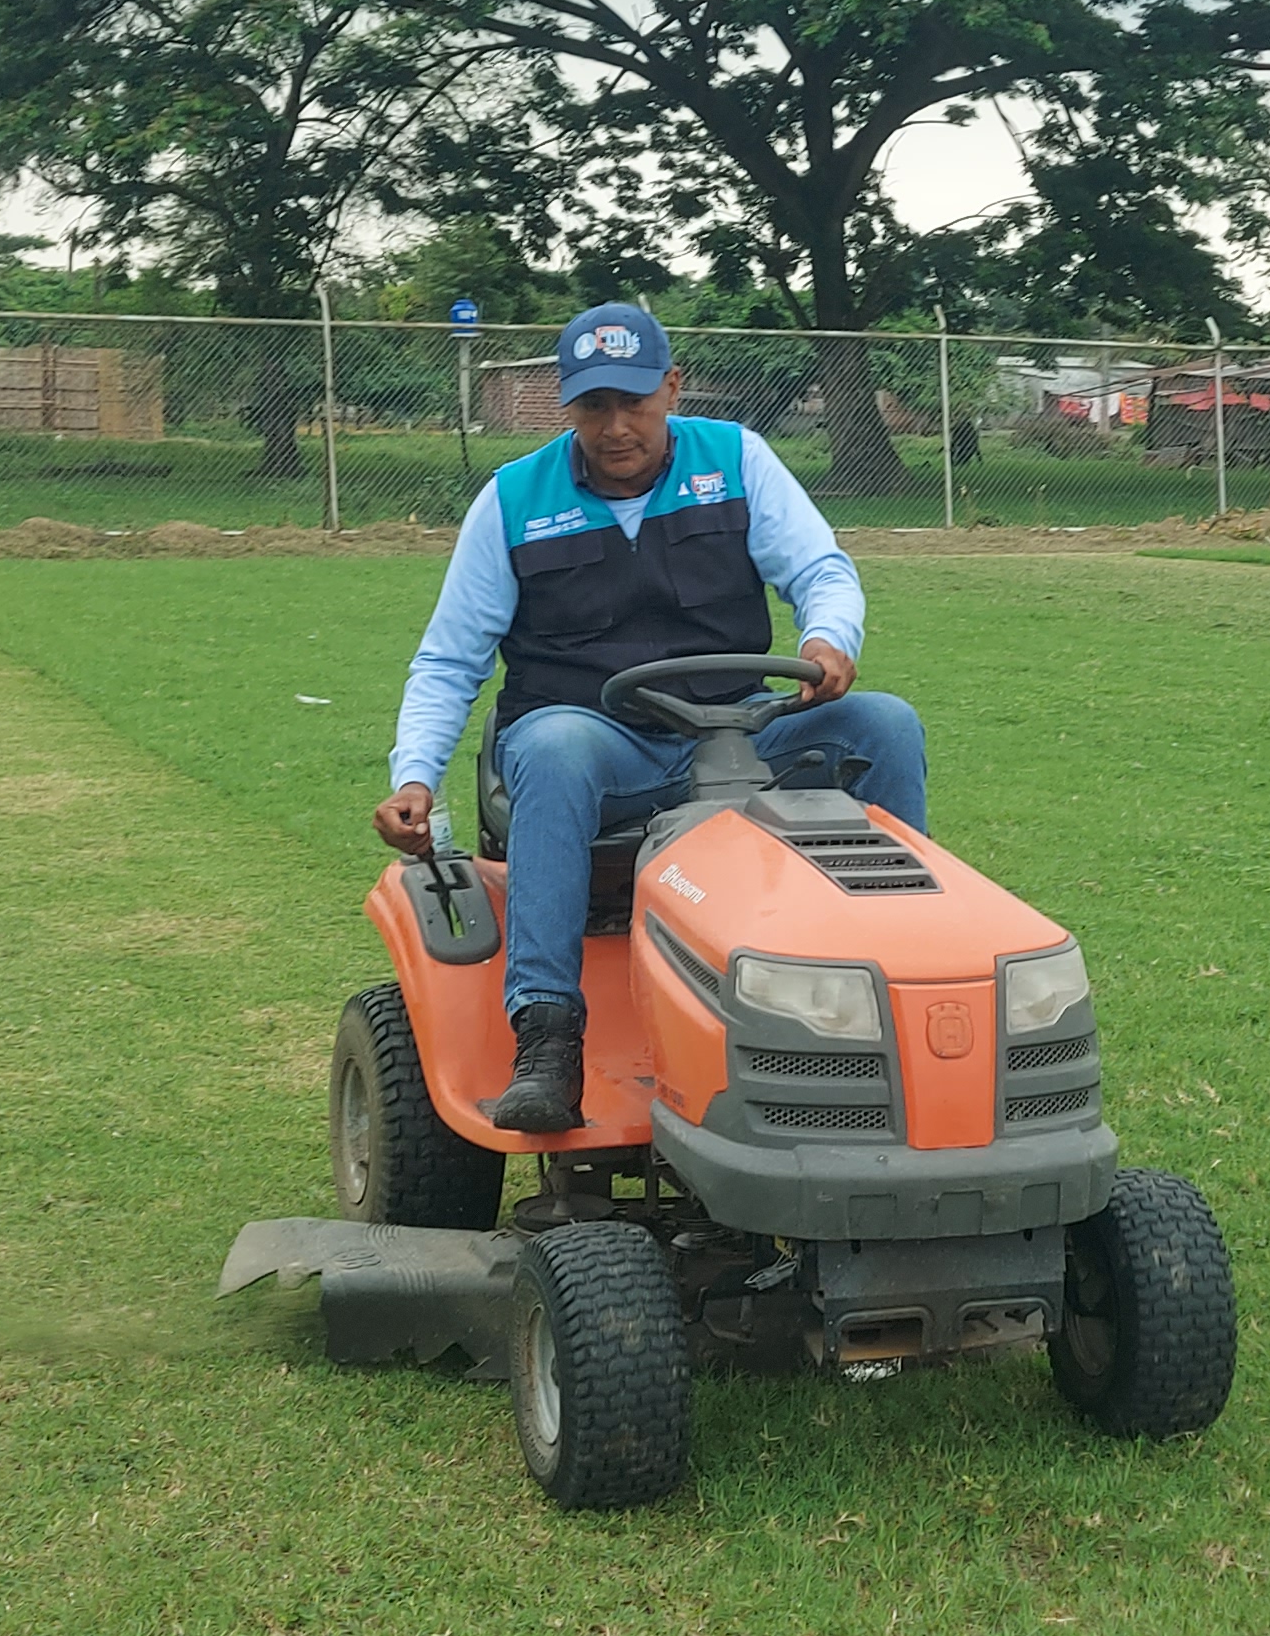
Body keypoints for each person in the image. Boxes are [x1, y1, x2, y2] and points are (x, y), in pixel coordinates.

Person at [374, 303, 926, 1132]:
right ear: (567, 404)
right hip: (598, 743)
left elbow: (821, 569)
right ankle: (547, 1039)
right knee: (555, 745)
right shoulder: (513, 499)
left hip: (738, 732)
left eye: (634, 402)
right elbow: (450, 660)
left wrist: (828, 636)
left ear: (672, 388)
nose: (616, 427)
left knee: (884, 725)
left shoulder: (736, 460)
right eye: (594, 406)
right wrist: (414, 776)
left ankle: (902, 984)